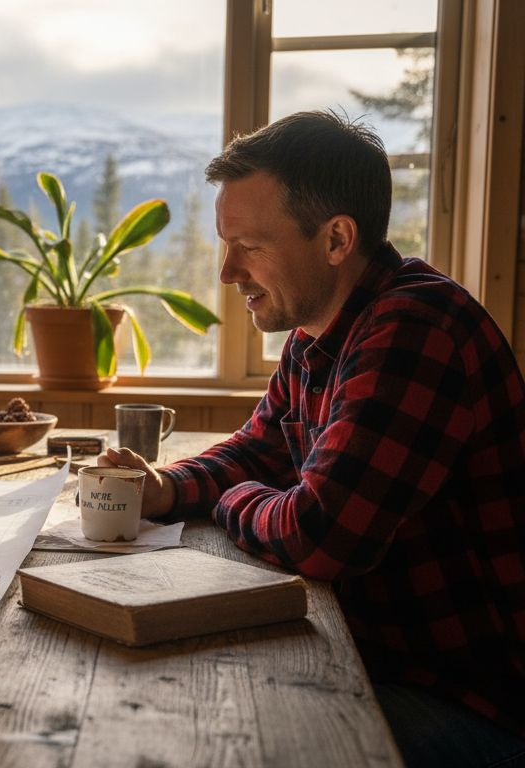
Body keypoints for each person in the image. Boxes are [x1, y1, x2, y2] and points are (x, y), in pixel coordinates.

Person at [98, 111, 525, 766]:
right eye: (225, 244)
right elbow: (259, 449)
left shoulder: (416, 328)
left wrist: (229, 499)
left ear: (336, 239)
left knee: (222, 740)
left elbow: (319, 535)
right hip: (380, 658)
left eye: (249, 246)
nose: (226, 272)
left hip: (470, 700)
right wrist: (165, 487)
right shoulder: (317, 333)